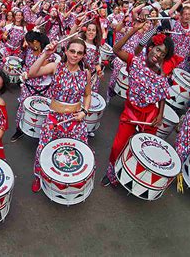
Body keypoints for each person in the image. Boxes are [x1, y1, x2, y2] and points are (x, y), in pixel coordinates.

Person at [102, 23, 174, 187]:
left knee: (144, 149)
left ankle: (132, 176)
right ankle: (112, 173)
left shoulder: (161, 74)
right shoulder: (135, 61)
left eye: (163, 54)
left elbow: (162, 95)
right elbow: (116, 50)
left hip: (150, 116)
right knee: (118, 146)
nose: (158, 55)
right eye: (157, 49)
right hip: (131, 112)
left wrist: (161, 114)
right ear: (151, 47)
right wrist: (133, 30)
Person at [29, 38, 92, 193]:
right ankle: (39, 176)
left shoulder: (85, 73)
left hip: (75, 119)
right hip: (54, 117)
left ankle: (67, 181)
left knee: (74, 151)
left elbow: (88, 95)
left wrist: (84, 111)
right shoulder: (55, 67)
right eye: (72, 51)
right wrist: (45, 54)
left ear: (83, 55)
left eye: (79, 53)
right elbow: (32, 73)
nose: (75, 55)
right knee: (44, 149)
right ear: (65, 51)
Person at [11, 31, 55, 142]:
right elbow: (26, 64)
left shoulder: (49, 54)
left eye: (29, 42)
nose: (28, 45)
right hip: (28, 86)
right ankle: (19, 130)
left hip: (43, 88)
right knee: (23, 107)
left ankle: (43, 134)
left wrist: (29, 74)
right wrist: (24, 73)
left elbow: (43, 69)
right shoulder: (29, 51)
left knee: (43, 112)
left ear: (35, 42)